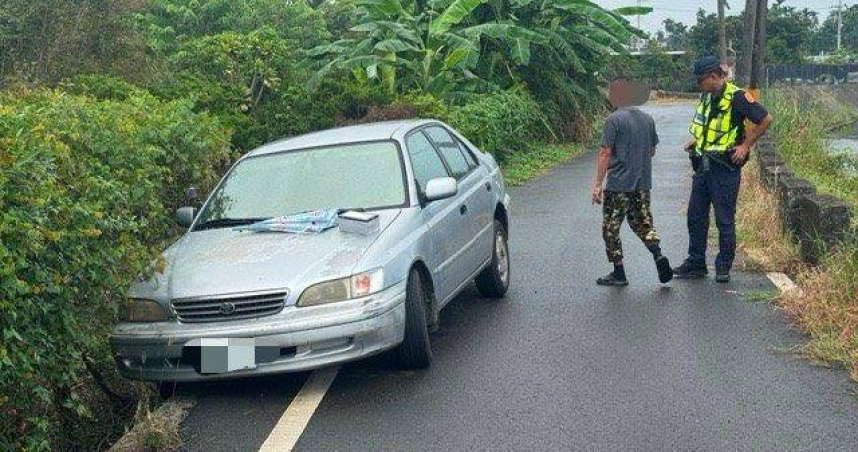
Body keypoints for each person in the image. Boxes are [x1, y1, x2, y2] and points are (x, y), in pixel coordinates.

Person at [672, 55, 773, 283]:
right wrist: (697, 142)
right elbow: (713, 128)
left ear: (713, 76)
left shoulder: (737, 97)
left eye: (700, 81)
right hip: (703, 164)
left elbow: (766, 119)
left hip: (725, 168)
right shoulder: (708, 97)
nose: (699, 85)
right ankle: (696, 263)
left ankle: (723, 266)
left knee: (724, 219)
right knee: (695, 216)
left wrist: (746, 145)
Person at [592, 77, 673, 287]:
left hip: (618, 184)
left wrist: (598, 184)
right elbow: (652, 150)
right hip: (643, 184)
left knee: (611, 227)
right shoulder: (647, 119)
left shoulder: (613, 120)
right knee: (644, 223)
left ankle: (619, 272)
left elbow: (604, 153)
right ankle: (658, 254)